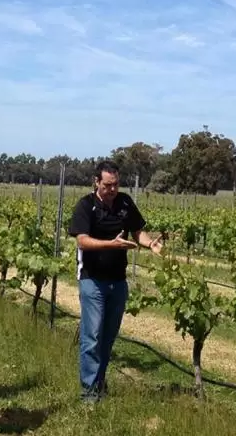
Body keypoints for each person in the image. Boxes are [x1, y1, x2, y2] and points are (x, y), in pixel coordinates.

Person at [68, 160, 163, 403]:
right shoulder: (86, 206)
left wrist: (150, 243)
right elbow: (82, 241)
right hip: (92, 280)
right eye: (108, 185)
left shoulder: (125, 202)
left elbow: (137, 231)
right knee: (93, 337)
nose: (112, 189)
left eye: (116, 184)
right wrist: (111, 244)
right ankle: (89, 393)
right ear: (96, 182)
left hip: (118, 281)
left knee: (108, 336)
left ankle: (99, 383)